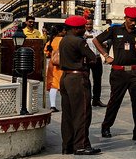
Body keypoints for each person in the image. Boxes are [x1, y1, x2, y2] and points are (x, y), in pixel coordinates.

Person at [94, 6, 136, 142]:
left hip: (135, 72)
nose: (133, 23)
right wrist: (106, 55)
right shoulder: (114, 30)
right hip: (119, 73)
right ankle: (106, 126)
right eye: (131, 20)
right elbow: (97, 40)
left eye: (135, 20)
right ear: (125, 18)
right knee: (115, 101)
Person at [58, 15, 100, 155]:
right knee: (82, 113)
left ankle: (67, 145)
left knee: (68, 114)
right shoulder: (79, 41)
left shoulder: (63, 40)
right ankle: (81, 145)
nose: (84, 30)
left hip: (65, 77)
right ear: (75, 29)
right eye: (82, 27)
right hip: (77, 78)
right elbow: (93, 58)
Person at [84, 22, 105, 107]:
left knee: (97, 80)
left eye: (90, 24)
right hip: (86, 59)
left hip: (97, 58)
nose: (89, 26)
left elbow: (104, 43)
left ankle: (96, 99)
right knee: (86, 80)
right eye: (87, 24)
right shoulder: (82, 33)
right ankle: (87, 99)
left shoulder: (98, 32)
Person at [44, 25, 64, 112]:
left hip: (52, 66)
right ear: (60, 32)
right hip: (63, 65)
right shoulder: (63, 40)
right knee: (64, 85)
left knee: (53, 85)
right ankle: (66, 105)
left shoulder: (50, 42)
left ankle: (52, 105)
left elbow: (46, 53)